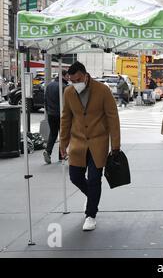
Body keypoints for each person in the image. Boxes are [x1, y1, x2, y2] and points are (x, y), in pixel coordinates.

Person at [60, 61, 121, 231]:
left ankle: (91, 214)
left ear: (85, 75)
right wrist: (63, 142)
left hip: (98, 142)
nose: (75, 83)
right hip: (78, 143)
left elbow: (112, 118)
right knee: (75, 177)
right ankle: (92, 197)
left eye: (78, 79)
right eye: (72, 81)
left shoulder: (102, 90)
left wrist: (115, 146)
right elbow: (66, 118)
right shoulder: (68, 92)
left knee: (95, 179)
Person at [43, 70, 70, 164]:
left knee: (53, 133)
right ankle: (61, 155)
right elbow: (67, 103)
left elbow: (45, 100)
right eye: (67, 76)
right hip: (61, 115)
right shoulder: (64, 87)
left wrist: (48, 111)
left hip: (51, 114)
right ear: (63, 76)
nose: (69, 78)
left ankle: (48, 151)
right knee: (63, 134)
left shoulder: (49, 85)